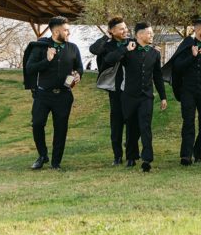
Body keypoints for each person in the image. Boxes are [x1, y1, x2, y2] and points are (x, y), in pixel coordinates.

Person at [105, 21, 167, 172]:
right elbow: (109, 60)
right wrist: (125, 50)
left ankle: (147, 159)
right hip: (129, 96)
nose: (152, 35)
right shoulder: (128, 50)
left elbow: (158, 77)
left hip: (146, 97)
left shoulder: (155, 53)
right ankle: (131, 157)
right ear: (139, 35)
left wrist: (163, 97)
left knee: (145, 126)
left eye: (152, 33)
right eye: (149, 33)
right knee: (132, 128)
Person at [24, 15, 83, 171]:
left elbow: (79, 68)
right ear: (56, 32)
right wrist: (47, 60)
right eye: (66, 30)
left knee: (61, 128)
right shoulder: (40, 47)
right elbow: (29, 68)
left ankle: (56, 162)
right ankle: (42, 155)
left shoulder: (73, 48)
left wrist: (78, 75)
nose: (68, 33)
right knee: (37, 124)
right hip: (43, 95)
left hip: (64, 95)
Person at [165, 19, 201, 166]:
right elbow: (177, 68)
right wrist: (193, 56)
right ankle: (186, 155)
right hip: (188, 90)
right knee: (188, 121)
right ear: (197, 30)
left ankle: (199, 153)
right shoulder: (186, 45)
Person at [89, 17, 134, 166]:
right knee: (116, 124)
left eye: (126, 28)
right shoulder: (107, 46)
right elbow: (95, 50)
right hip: (115, 89)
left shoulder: (132, 42)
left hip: (131, 89)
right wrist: (106, 37)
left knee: (132, 122)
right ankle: (117, 156)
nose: (125, 31)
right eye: (121, 29)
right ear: (112, 31)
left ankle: (131, 154)